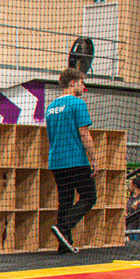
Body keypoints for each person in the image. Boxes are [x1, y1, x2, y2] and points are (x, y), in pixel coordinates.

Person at [46, 67, 97, 253]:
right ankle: (64, 227)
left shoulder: (51, 108)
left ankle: (64, 244)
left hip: (56, 161)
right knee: (89, 197)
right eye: (81, 82)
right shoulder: (77, 104)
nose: (83, 86)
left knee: (65, 200)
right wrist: (95, 159)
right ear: (73, 83)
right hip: (75, 159)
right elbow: (84, 133)